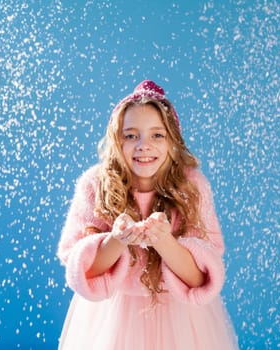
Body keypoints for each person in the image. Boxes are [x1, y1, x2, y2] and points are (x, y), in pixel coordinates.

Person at [56, 80, 239, 349]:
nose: (144, 145)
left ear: (173, 141)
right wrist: (117, 240)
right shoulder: (95, 185)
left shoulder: (192, 187)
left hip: (182, 323)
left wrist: (164, 242)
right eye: (131, 135)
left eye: (157, 135)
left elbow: (201, 280)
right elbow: (82, 272)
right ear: (116, 140)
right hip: (111, 321)